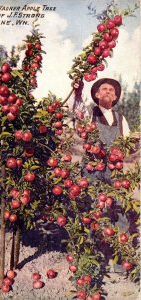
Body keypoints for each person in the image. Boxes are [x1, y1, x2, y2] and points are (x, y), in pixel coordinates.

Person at [69, 78, 136, 273]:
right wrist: (78, 93)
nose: (108, 91)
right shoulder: (89, 114)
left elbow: (129, 146)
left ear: (115, 97)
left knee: (119, 210)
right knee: (90, 210)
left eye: (111, 90)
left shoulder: (121, 119)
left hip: (114, 171)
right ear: (97, 95)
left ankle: (120, 260)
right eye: (103, 89)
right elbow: (76, 110)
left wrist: (133, 144)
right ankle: (91, 259)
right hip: (91, 170)